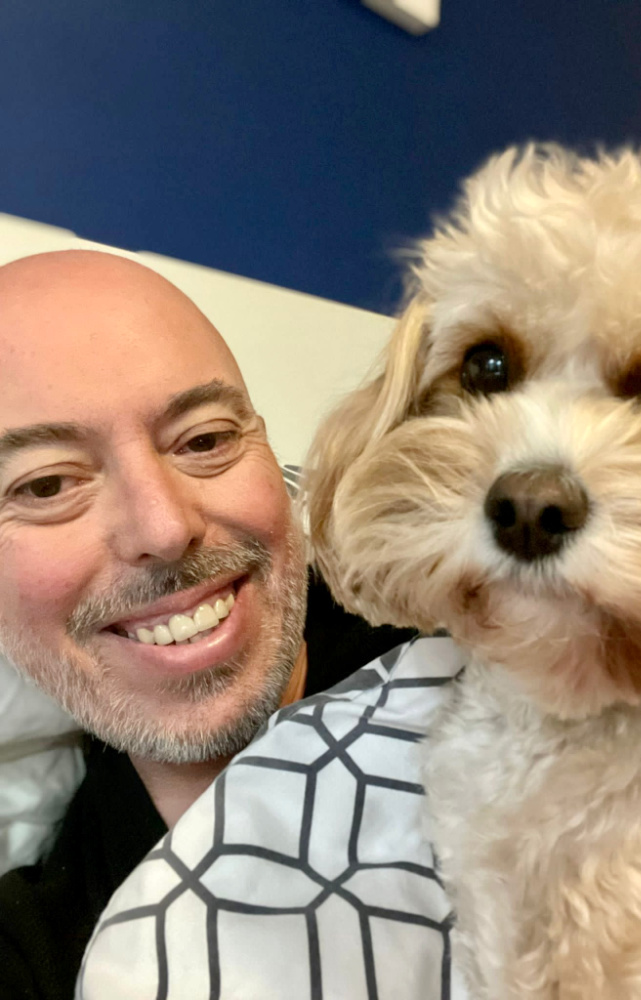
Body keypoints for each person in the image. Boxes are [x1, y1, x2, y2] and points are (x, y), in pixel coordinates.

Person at [0, 250, 413, 1000]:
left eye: (205, 440)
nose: (163, 526)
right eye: (48, 484)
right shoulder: (43, 961)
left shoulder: (518, 675)